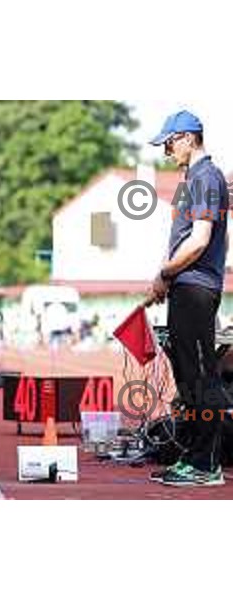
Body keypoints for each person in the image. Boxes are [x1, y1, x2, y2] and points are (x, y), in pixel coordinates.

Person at [147, 110, 229, 487]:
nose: (166, 151)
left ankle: (205, 463)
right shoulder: (195, 178)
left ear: (185, 138)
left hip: (196, 287)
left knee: (200, 379)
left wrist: (166, 272)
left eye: (168, 142)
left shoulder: (206, 177)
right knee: (188, 378)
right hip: (185, 285)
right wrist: (164, 278)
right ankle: (194, 455)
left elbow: (198, 241)